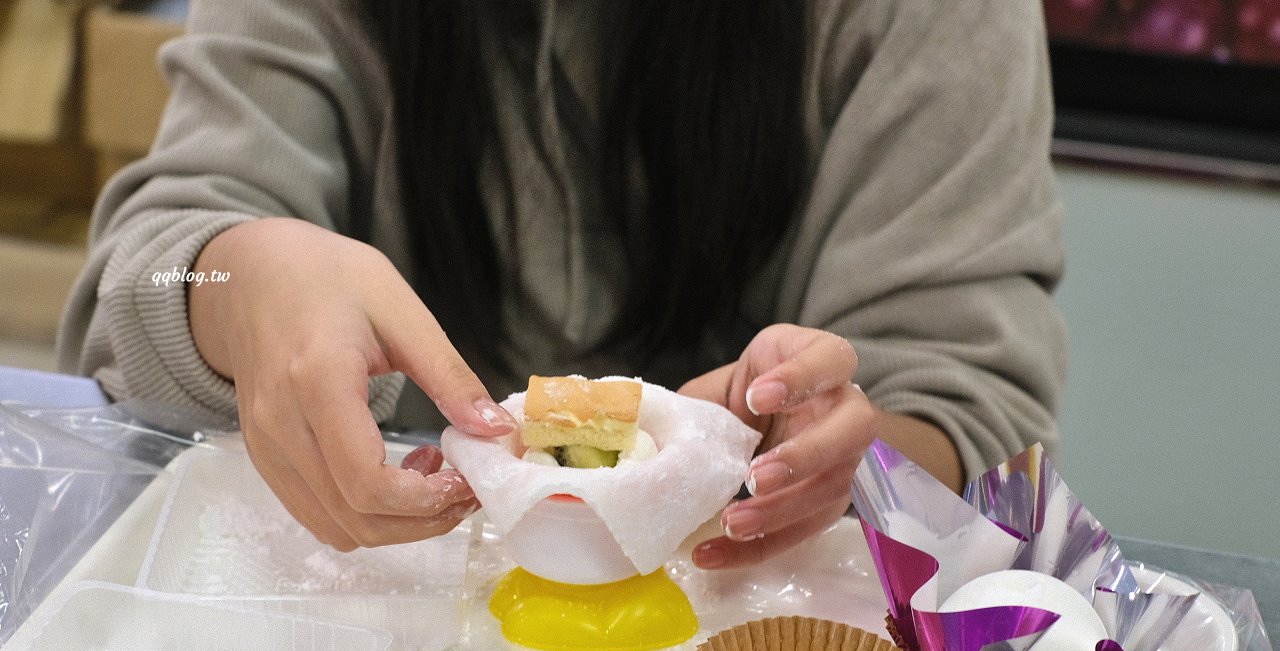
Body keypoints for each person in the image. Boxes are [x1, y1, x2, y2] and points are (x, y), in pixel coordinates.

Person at [57, 0, 1067, 569]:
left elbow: (966, 402)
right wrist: (241, 280)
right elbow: (150, 267)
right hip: (380, 610)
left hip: (748, 638)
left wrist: (824, 454)